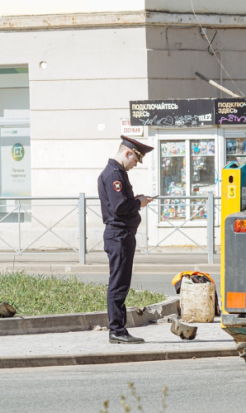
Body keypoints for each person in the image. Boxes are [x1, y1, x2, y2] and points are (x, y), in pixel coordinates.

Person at [98, 135, 154, 344]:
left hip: (121, 235)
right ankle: (117, 330)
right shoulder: (114, 174)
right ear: (128, 153)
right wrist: (139, 203)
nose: (135, 165)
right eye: (136, 160)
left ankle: (118, 329)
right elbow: (120, 207)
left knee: (120, 282)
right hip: (119, 235)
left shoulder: (116, 172)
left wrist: (135, 200)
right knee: (118, 284)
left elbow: (120, 203)